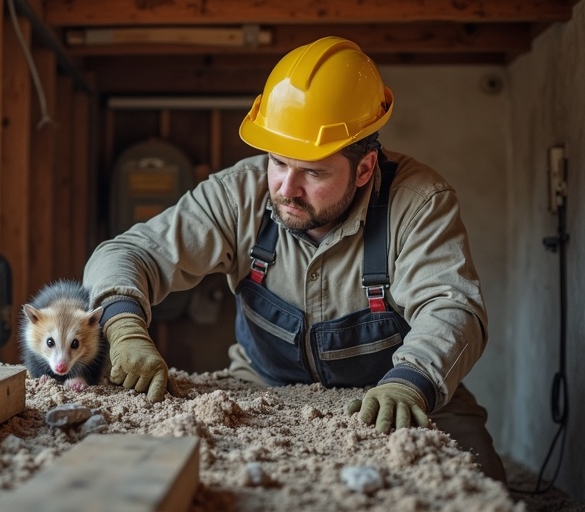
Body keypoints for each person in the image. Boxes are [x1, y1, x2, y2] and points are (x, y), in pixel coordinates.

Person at [83, 36, 506, 482]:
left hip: (399, 393)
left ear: (364, 169)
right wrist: (124, 325)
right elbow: (128, 252)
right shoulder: (238, 194)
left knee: (481, 483)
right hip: (263, 388)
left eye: (313, 171)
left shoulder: (419, 203)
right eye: (279, 163)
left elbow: (452, 306)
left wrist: (411, 382)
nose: (286, 188)